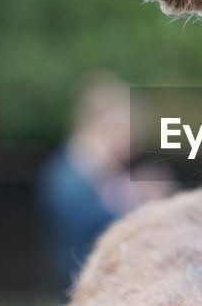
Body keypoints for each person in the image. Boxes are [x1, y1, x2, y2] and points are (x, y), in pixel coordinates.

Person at [38, 73, 172, 290]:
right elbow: (91, 229)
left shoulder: (93, 174)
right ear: (111, 127)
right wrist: (141, 202)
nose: (134, 145)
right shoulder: (68, 178)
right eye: (132, 132)